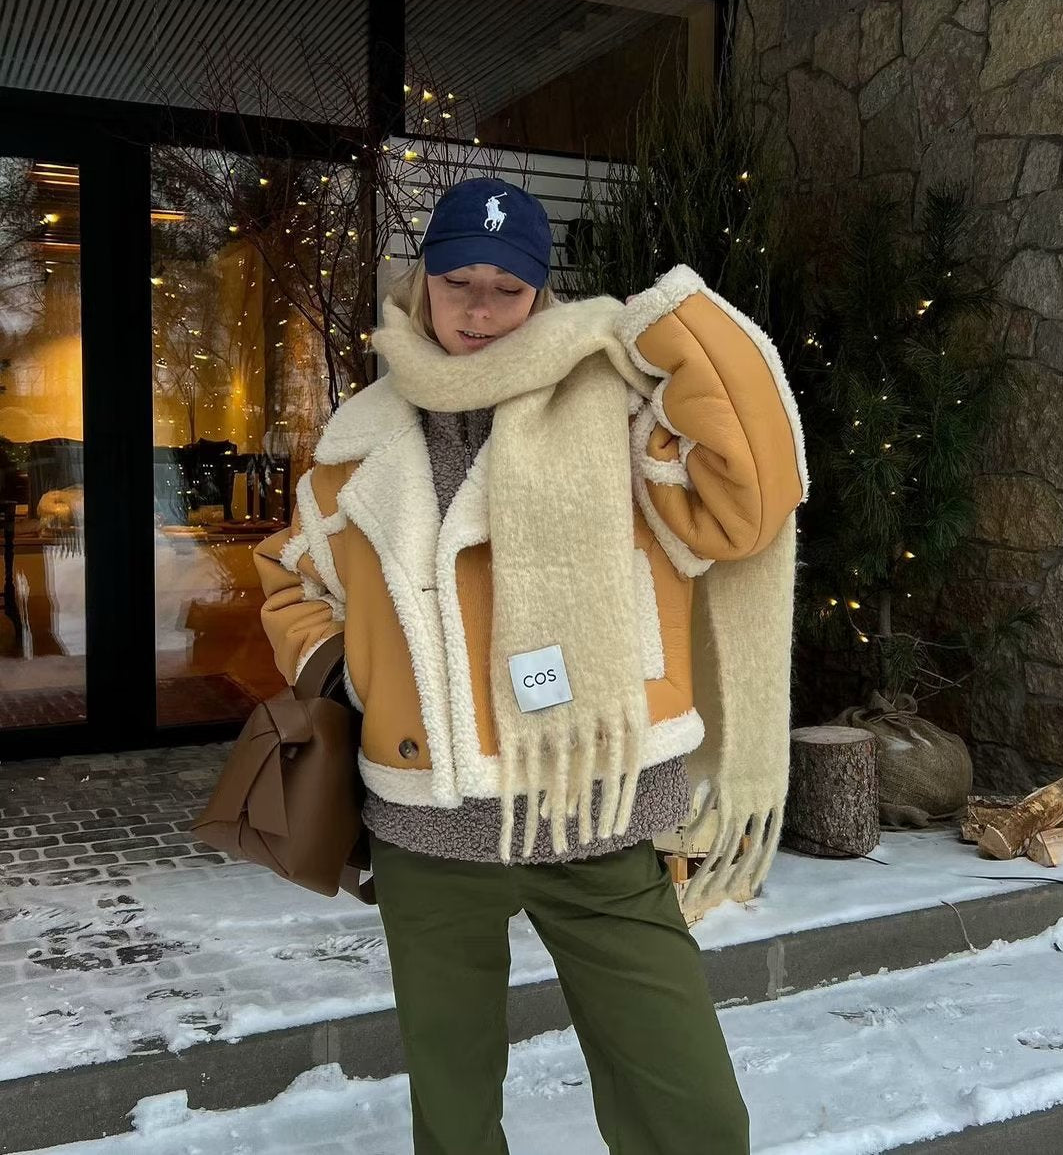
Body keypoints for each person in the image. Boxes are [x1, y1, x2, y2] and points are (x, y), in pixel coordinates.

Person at [254, 176, 807, 1154]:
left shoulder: (622, 410)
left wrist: (667, 323)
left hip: (594, 809)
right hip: (427, 825)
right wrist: (347, 670)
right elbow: (292, 578)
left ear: (543, 292)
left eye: (506, 288)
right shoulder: (357, 441)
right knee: (455, 1121)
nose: (479, 309)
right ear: (422, 282)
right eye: (457, 282)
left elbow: (752, 498)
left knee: (695, 1119)